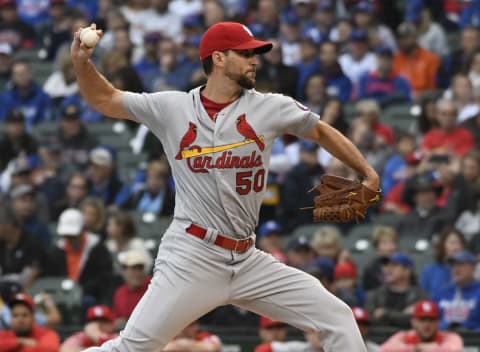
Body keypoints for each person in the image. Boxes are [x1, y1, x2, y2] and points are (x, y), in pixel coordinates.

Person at [72, 21, 380, 351]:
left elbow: (319, 131)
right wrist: (81, 62)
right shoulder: (171, 107)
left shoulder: (269, 107)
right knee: (131, 348)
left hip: (247, 259)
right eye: (245, 53)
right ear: (218, 59)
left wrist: (366, 172)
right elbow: (106, 100)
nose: (255, 60)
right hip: (192, 256)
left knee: (336, 316)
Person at [365, 252, 427, 328]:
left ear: (406, 271)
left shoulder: (419, 296)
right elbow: (367, 320)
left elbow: (420, 321)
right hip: (379, 338)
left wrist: (385, 314)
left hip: (408, 339)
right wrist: (402, 315)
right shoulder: (374, 295)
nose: (388, 269)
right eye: (386, 265)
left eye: (394, 265)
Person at [379, 300, 463, 351]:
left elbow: (453, 350)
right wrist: (416, 348)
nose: (427, 324)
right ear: (413, 322)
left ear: (438, 322)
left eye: (431, 320)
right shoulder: (404, 336)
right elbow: (384, 349)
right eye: (422, 320)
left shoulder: (448, 337)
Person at [432, 250, 480, 330]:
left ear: (473, 268)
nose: (456, 269)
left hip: (473, 339)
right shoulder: (442, 292)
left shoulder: (478, 292)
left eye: (461, 264)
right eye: (453, 265)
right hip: (445, 338)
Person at [112, 250, 151, 331]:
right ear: (124, 271)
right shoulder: (120, 292)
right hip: (125, 333)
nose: (137, 273)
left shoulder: (153, 286)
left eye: (140, 268)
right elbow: (115, 319)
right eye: (133, 268)